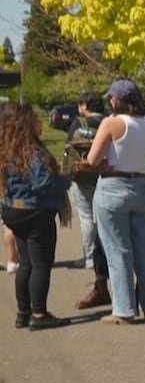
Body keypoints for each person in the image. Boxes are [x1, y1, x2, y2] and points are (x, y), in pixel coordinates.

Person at [83, 78, 145, 324]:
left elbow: (92, 159)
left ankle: (125, 309)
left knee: (118, 251)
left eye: (112, 97)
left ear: (117, 100)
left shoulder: (111, 123)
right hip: (142, 185)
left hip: (113, 186)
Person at [0, 103, 71, 328]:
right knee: (41, 264)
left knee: (26, 263)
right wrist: (66, 180)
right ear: (26, 125)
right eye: (36, 120)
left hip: (14, 210)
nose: (40, 123)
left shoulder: (8, 150)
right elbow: (43, 183)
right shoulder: (33, 152)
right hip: (35, 212)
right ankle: (39, 314)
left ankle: (23, 312)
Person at [66, 92, 113, 308]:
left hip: (83, 175)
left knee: (86, 217)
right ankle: (104, 254)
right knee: (103, 219)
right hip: (103, 175)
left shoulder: (78, 122)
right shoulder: (108, 121)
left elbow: (69, 148)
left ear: (85, 105)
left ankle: (88, 256)